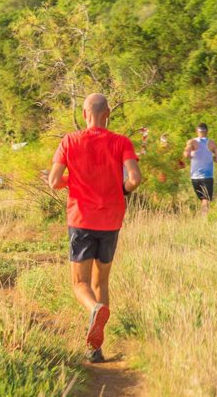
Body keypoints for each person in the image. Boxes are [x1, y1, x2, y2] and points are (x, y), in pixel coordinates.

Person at [48, 93, 142, 363]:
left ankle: (94, 309)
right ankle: (95, 349)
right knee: (101, 281)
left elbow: (54, 182)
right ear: (108, 113)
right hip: (111, 220)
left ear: (85, 112)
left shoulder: (69, 140)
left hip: (81, 220)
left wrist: (74, 180)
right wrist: (120, 188)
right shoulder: (121, 142)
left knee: (80, 284)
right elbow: (135, 178)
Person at [184, 123, 217, 214]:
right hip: (207, 177)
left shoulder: (192, 142)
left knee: (202, 199)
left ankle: (202, 217)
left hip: (195, 177)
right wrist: (209, 157)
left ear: (197, 131)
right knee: (206, 200)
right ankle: (204, 220)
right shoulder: (212, 143)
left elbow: (186, 154)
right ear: (207, 131)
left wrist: (191, 155)